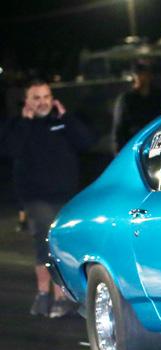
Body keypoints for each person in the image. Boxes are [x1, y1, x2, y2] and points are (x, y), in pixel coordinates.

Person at [0, 80, 94, 317]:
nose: (42, 102)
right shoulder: (17, 125)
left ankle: (55, 296)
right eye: (36, 98)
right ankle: (49, 294)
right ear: (27, 101)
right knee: (46, 240)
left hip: (66, 196)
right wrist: (25, 122)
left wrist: (66, 117)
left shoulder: (61, 122)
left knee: (63, 244)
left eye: (46, 97)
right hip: (35, 197)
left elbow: (86, 142)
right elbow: (11, 149)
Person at [112, 61, 161, 153]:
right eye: (138, 74)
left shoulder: (158, 97)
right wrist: (119, 152)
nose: (141, 78)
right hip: (133, 146)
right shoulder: (126, 100)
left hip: (156, 146)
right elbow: (119, 129)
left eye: (144, 74)